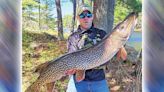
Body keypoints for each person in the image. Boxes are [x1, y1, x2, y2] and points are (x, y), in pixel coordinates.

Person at [66, 4, 127, 92]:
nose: (86, 18)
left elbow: (123, 57)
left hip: (99, 80)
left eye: (89, 15)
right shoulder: (73, 37)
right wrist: (71, 69)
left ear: (92, 17)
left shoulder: (102, 34)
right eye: (82, 15)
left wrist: (120, 43)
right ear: (78, 18)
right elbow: (70, 59)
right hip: (78, 81)